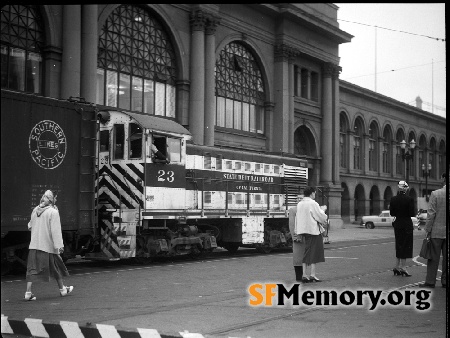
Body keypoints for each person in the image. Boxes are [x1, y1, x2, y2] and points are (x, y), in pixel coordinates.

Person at [24, 190, 73, 301]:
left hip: (34, 245)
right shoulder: (53, 212)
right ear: (52, 200)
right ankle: (62, 290)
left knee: (31, 269)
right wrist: (59, 245)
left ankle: (28, 293)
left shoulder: (35, 210)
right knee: (56, 267)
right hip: (47, 246)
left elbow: (30, 226)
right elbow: (55, 231)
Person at [419, 172, 447, 288]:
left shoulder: (436, 194)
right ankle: (445, 281)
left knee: (433, 258)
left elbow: (431, 214)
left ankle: (430, 281)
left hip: (436, 231)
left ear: (443, 179)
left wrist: (427, 230)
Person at [295, 186, 328, 282]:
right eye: (314, 193)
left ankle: (305, 274)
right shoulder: (313, 203)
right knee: (315, 252)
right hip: (313, 230)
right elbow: (320, 217)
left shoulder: (300, 204)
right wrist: (323, 210)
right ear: (312, 193)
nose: (315, 195)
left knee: (308, 251)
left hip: (303, 230)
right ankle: (310, 275)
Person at [389, 180, 415, 277]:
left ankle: (397, 266)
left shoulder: (393, 199)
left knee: (399, 244)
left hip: (398, 223)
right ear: (405, 188)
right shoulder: (409, 199)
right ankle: (403, 267)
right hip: (406, 223)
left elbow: (392, 213)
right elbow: (411, 213)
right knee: (406, 245)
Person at [289, 195, 307, 283]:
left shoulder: (307, 209)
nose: (299, 200)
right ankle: (299, 277)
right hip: (298, 237)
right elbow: (291, 224)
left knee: (306, 257)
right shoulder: (293, 210)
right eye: (298, 198)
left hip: (307, 236)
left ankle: (305, 275)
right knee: (297, 258)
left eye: (301, 198)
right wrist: (294, 236)